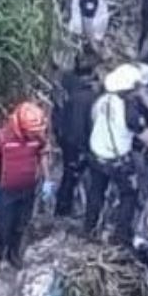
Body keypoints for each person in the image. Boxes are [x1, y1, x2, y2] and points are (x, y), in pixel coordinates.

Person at [85, 63, 148, 245]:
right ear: (130, 90)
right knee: (129, 194)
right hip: (116, 161)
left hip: (96, 154)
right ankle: (120, 237)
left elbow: (93, 118)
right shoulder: (130, 112)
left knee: (96, 191)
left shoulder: (103, 100)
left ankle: (89, 228)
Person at [0, 102, 54, 269]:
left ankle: (13, 255)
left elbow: (43, 154)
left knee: (21, 224)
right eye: (31, 132)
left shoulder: (38, 137)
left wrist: (47, 180)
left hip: (28, 187)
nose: (35, 135)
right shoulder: (2, 137)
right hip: (6, 189)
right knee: (2, 226)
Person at [53, 50, 101, 218]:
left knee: (69, 172)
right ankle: (64, 208)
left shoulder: (67, 82)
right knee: (72, 175)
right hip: (78, 140)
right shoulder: (89, 97)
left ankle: (64, 207)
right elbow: (86, 123)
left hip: (64, 134)